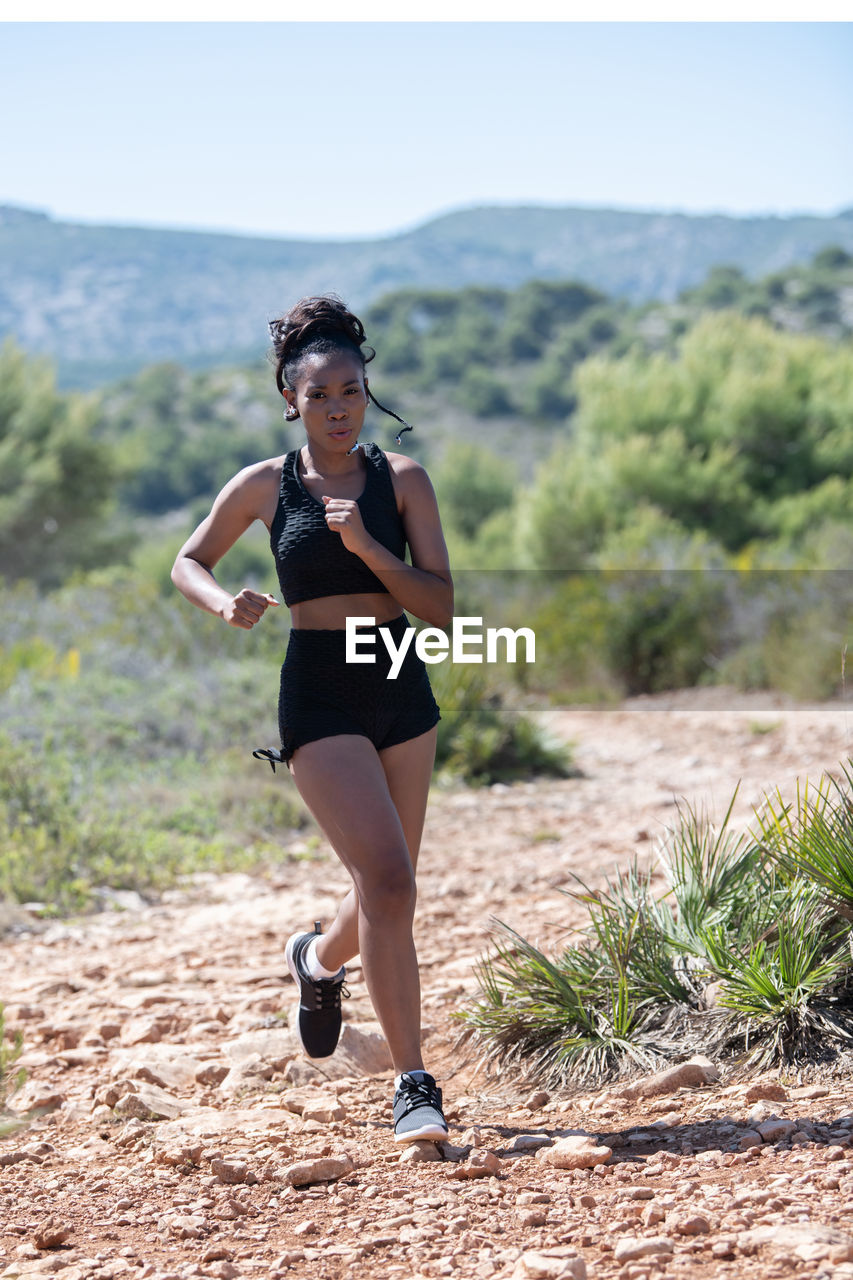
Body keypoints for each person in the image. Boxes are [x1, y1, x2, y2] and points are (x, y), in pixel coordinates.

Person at [171, 294, 453, 1144]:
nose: (338, 408)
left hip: (399, 678)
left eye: (352, 390)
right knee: (392, 883)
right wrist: (224, 605)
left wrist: (371, 550)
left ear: (368, 391)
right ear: (291, 398)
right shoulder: (266, 484)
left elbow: (440, 607)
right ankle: (414, 1086)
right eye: (320, 393)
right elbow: (188, 560)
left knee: (383, 888)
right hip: (320, 691)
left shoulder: (402, 481)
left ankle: (318, 960)